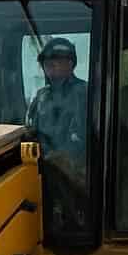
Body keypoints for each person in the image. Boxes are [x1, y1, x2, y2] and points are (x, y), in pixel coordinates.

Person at [26, 37, 88, 167]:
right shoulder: (41, 96)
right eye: (46, 61)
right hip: (42, 166)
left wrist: (64, 157)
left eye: (56, 60)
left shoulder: (86, 93)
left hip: (76, 172)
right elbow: (30, 132)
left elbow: (87, 137)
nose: (49, 64)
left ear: (70, 63)